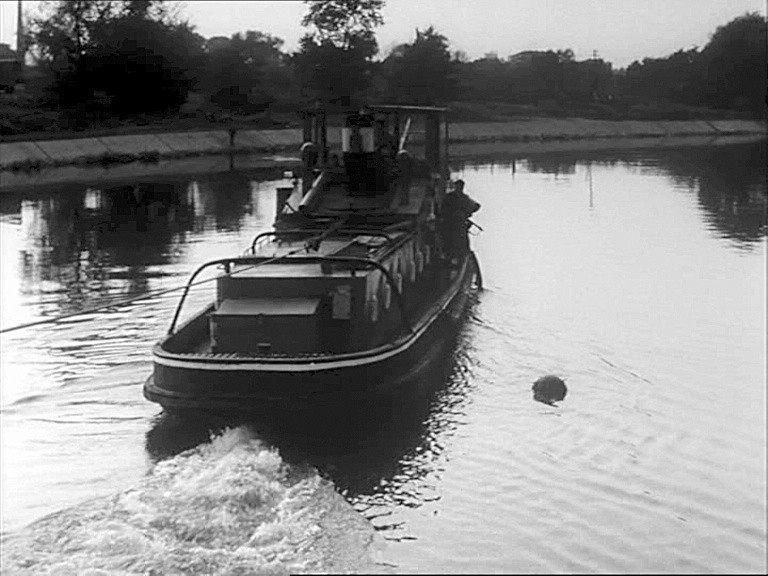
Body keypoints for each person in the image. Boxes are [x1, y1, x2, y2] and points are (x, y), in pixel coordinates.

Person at [439, 179, 481, 259]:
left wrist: (467, 213)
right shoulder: (461, 198)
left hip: (454, 224)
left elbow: (476, 206)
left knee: (455, 242)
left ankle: (455, 256)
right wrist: (467, 213)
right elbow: (476, 206)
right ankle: (457, 256)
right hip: (454, 224)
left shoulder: (453, 197)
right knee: (457, 242)